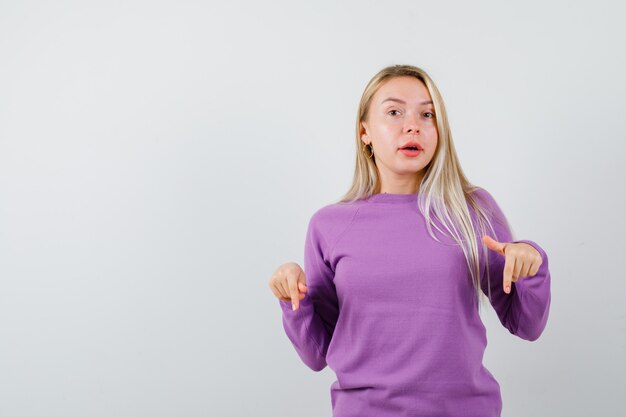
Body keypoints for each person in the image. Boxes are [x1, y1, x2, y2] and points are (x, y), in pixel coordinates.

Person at [267, 64, 551, 417]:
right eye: (394, 112)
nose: (413, 124)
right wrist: (292, 299)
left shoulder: (472, 210)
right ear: (364, 132)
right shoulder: (329, 225)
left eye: (427, 114)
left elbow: (527, 325)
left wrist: (531, 264)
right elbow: (316, 355)